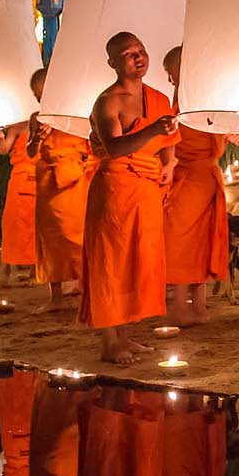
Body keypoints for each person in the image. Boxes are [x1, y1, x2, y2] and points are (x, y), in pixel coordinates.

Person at [80, 31, 179, 364]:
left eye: (141, 50)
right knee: (111, 264)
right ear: (112, 63)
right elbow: (115, 148)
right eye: (128, 53)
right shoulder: (108, 100)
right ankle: (109, 342)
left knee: (138, 262)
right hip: (115, 190)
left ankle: (124, 336)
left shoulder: (159, 98)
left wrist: (169, 164)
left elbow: (169, 138)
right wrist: (152, 131)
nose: (138, 57)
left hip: (147, 189)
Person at [160, 46, 228, 325]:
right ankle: (196, 306)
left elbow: (172, 141)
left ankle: (183, 306)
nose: (169, 80)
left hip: (196, 177)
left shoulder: (199, 101)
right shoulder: (191, 99)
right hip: (197, 176)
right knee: (191, 240)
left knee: (180, 239)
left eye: (170, 72)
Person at [26, 68, 92, 312]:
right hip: (47, 182)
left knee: (78, 236)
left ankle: (86, 288)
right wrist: (37, 140)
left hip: (74, 180)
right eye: (38, 97)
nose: (42, 101)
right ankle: (56, 296)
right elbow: (31, 153)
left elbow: (92, 146)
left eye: (45, 95)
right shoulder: (37, 118)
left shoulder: (75, 115)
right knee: (50, 239)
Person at [0, 109, 37, 285]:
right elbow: (4, 149)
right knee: (12, 222)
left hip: (38, 176)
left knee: (36, 224)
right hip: (20, 177)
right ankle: (6, 269)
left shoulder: (43, 123)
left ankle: (35, 271)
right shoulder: (16, 127)